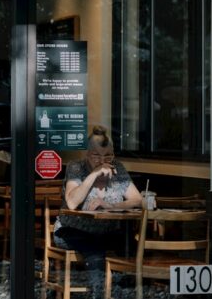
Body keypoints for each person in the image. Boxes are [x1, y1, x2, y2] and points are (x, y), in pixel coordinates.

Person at [54, 125, 142, 298]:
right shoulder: (76, 168)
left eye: (108, 155)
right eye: (96, 155)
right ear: (87, 154)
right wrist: (93, 174)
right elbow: (71, 203)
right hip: (72, 231)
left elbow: (137, 199)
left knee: (133, 248)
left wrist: (111, 206)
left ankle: (128, 292)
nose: (103, 160)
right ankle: (98, 293)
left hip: (107, 231)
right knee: (95, 252)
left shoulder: (118, 169)